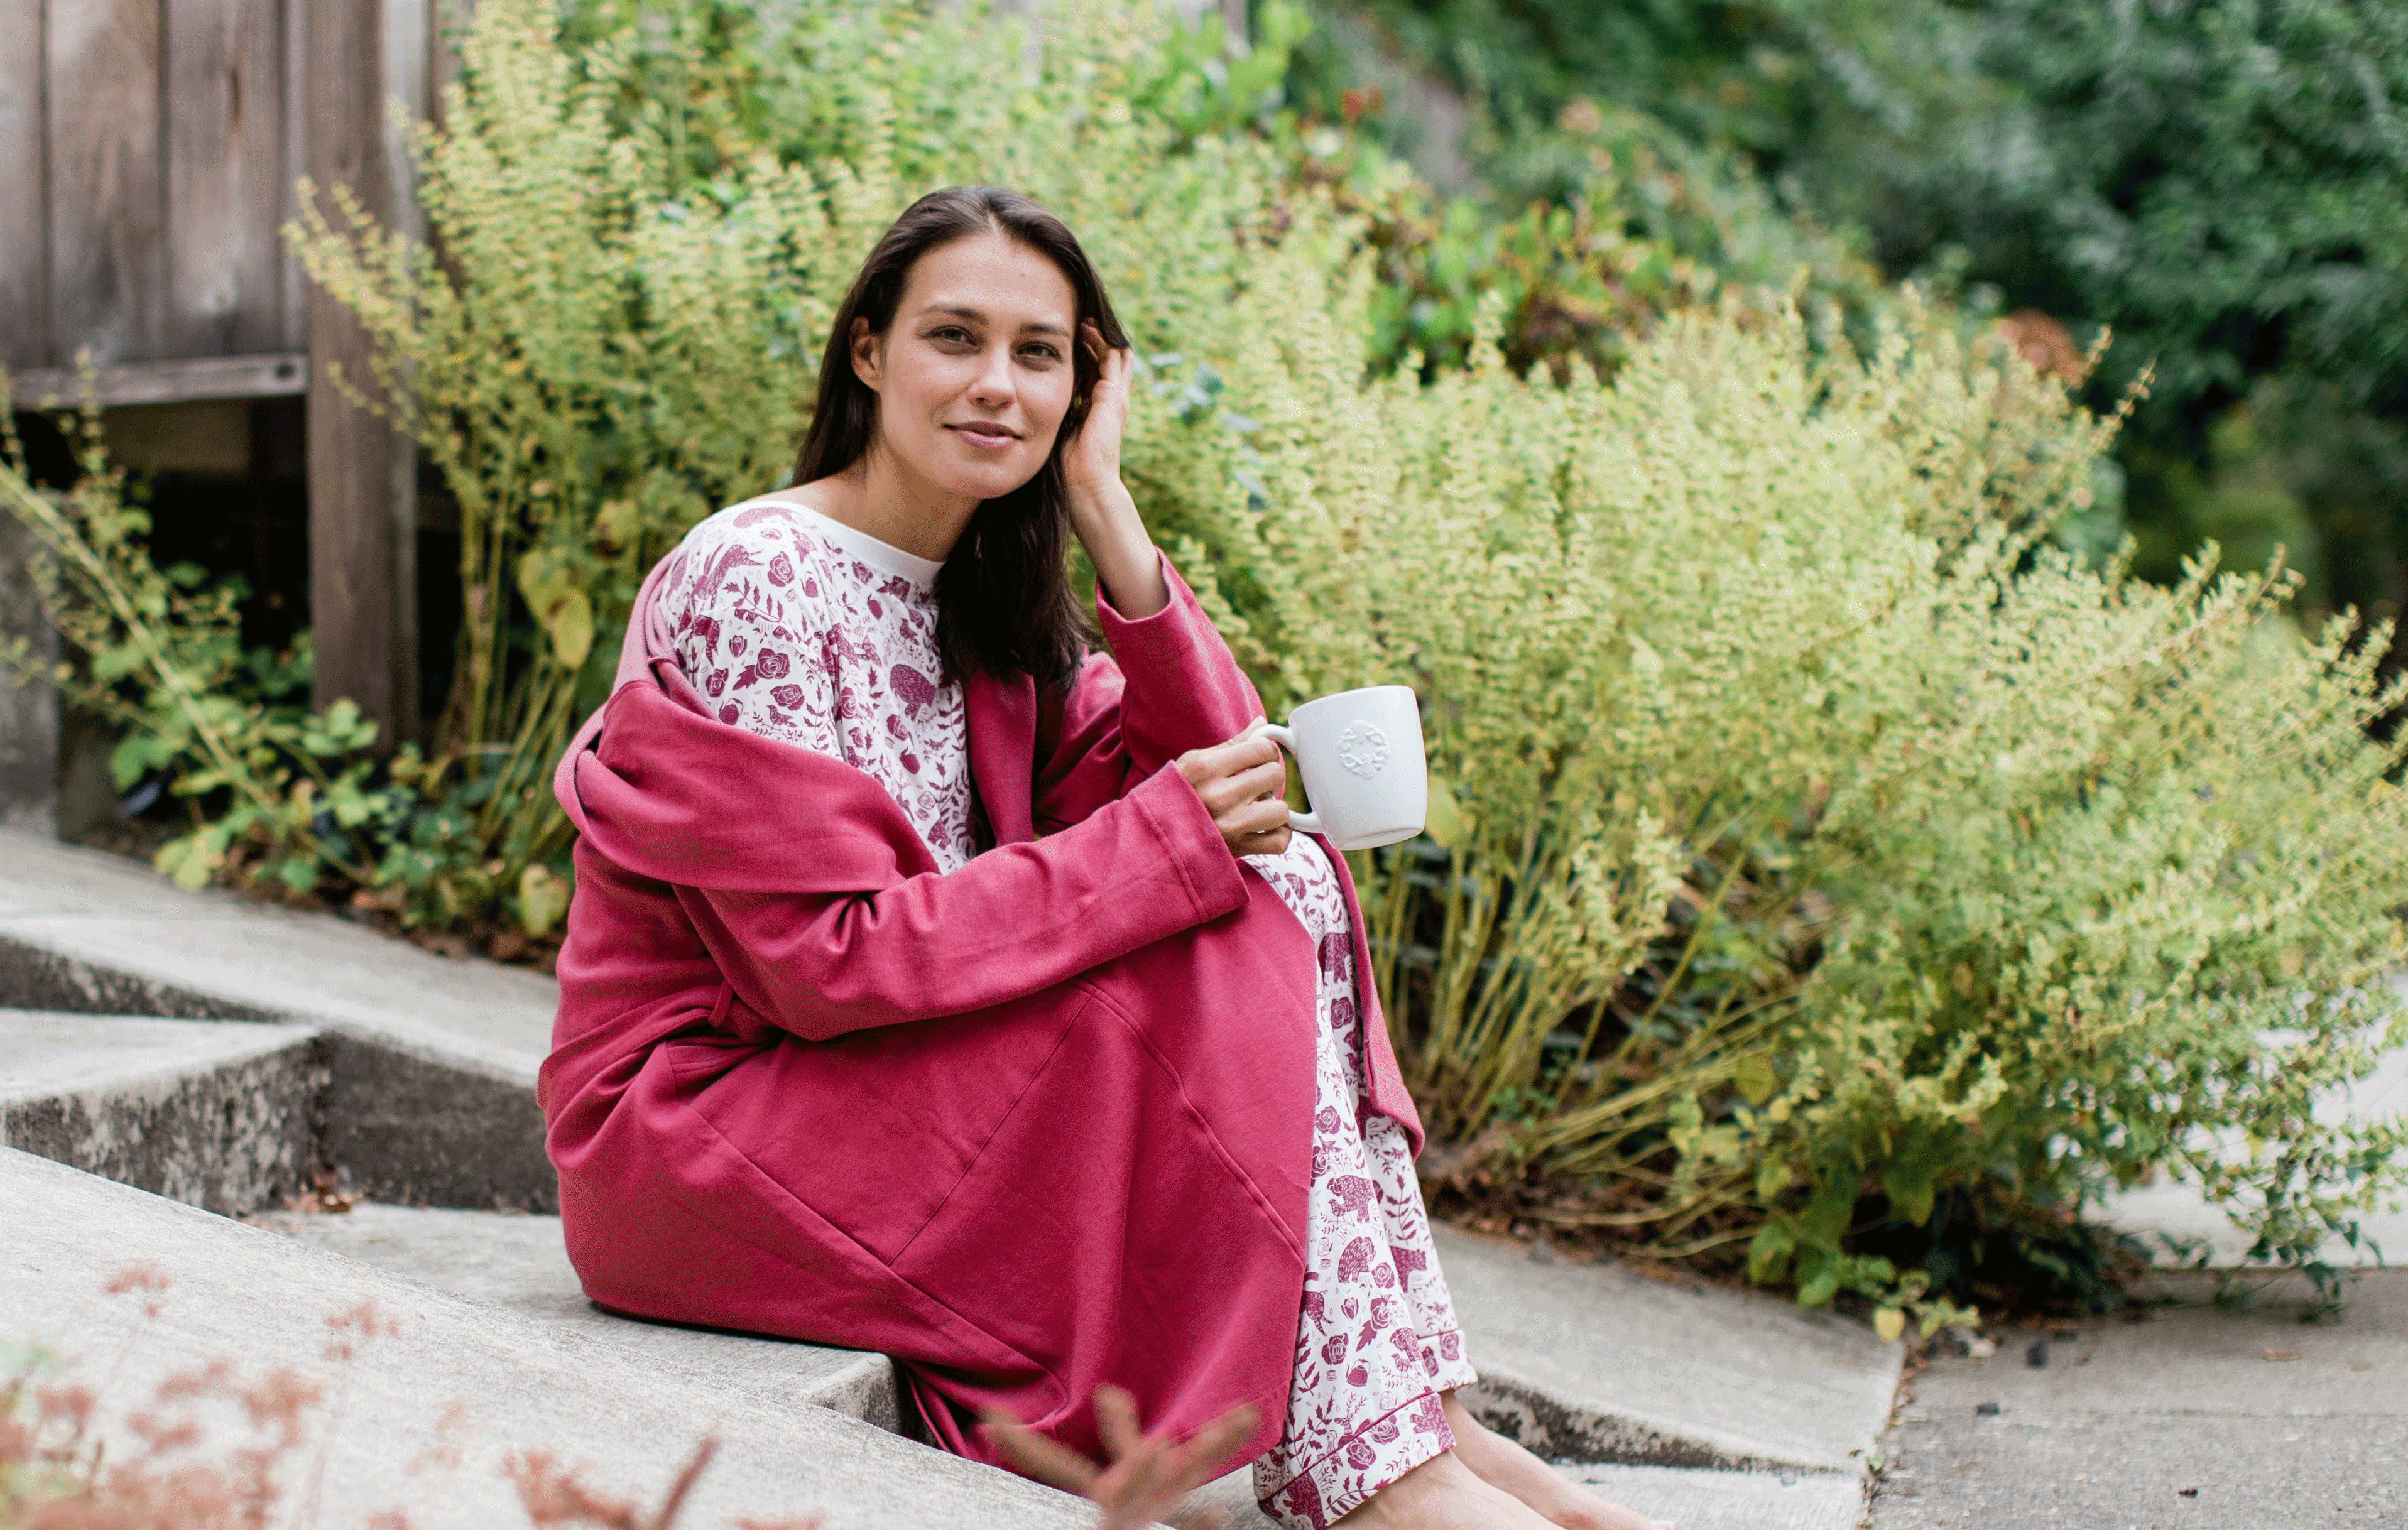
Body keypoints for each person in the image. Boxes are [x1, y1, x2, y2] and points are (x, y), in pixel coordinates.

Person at [544, 185, 1665, 1530]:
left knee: (1285, 878)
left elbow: (1220, 806)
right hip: (713, 1128)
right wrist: (1172, 834)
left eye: (1041, 355)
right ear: (868, 352)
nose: (996, 386)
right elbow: (818, 965)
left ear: (1084, 384)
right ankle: (1383, 1472)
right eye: (953, 338)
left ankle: (1416, 1425)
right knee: (1220, 903)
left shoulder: (988, 603)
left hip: (878, 1088)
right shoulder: (762, 575)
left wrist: (1105, 507)